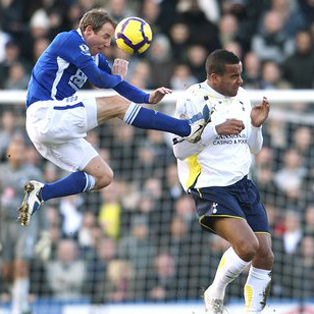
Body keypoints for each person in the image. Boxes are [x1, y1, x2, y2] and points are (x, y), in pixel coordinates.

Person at [18, 8, 210, 226]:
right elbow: (102, 81)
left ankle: (42, 193)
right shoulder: (68, 40)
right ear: (89, 30)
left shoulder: (93, 56)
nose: (108, 44)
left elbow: (116, 84)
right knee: (116, 105)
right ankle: (186, 129)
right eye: (106, 36)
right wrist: (117, 79)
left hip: (50, 128)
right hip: (46, 113)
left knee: (103, 177)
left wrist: (147, 96)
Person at [172, 49, 273, 314]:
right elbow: (180, 150)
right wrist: (215, 130)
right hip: (210, 185)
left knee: (265, 255)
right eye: (234, 76)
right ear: (214, 78)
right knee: (248, 246)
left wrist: (257, 126)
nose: (240, 81)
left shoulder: (242, 96)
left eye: (241, 74)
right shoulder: (192, 100)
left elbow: (254, 148)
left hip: (242, 183)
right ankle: (214, 293)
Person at [0, 136, 47, 314]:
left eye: (21, 150)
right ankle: (22, 303)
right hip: (4, 225)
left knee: (22, 265)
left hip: (26, 224)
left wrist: (46, 232)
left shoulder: (34, 174)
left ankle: (17, 309)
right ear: (8, 153)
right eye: (15, 150)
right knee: (6, 269)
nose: (18, 153)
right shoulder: (1, 172)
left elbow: (43, 203)